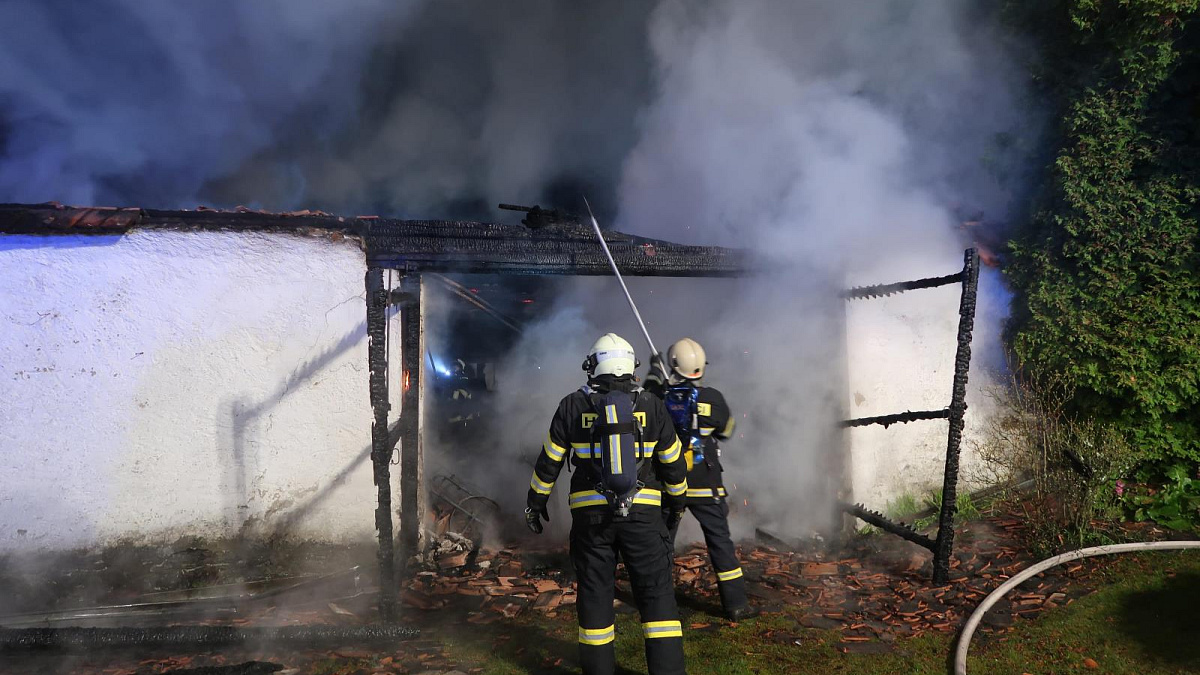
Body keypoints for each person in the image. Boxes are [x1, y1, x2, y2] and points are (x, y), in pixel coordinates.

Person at [525, 333, 689, 675]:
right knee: (657, 598)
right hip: (644, 518)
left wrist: (535, 503)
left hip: (591, 520)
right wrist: (677, 503)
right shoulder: (651, 404)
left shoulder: (572, 405)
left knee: (595, 598)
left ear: (593, 366)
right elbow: (673, 463)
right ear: (630, 366)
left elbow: (550, 462)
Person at [646, 338, 757, 621]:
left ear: (674, 366)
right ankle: (736, 605)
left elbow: (645, 414)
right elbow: (728, 430)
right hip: (707, 484)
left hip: (672, 485)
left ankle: (658, 605)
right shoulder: (714, 398)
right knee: (720, 543)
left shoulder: (659, 398)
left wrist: (654, 375)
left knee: (662, 545)